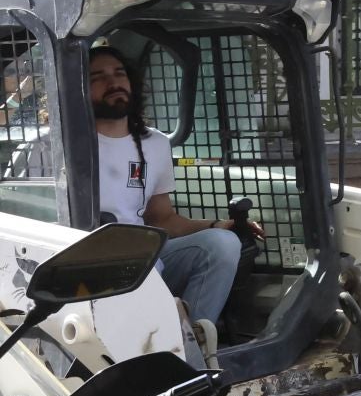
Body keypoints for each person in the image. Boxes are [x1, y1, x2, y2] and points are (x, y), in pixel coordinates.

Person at [90, 46, 260, 335]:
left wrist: (219, 225)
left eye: (119, 74)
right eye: (98, 77)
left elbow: (161, 219)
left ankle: (191, 339)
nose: (114, 82)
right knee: (140, 266)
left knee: (223, 244)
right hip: (89, 262)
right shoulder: (61, 145)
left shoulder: (153, 143)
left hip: (145, 253)